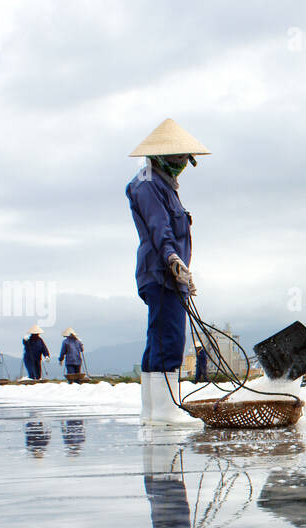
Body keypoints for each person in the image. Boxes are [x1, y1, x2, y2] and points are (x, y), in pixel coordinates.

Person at [126, 118, 208, 427]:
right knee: (169, 338)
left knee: (159, 336)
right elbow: (159, 227)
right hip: (160, 272)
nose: (181, 164)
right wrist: (173, 258)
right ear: (161, 156)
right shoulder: (148, 185)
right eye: (176, 158)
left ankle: (152, 411)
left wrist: (184, 270)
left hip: (170, 274)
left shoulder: (164, 185)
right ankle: (164, 411)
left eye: (184, 159)